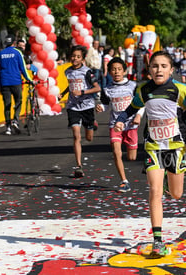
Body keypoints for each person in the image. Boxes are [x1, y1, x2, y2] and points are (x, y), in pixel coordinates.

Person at [114, 51, 186, 258]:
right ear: (149, 70)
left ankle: (167, 179)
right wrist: (121, 119)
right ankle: (158, 241)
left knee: (176, 194)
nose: (159, 70)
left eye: (164, 66)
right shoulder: (144, 89)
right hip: (154, 146)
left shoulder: (181, 89)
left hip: (175, 146)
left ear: (171, 70)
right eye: (155, 66)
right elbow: (132, 108)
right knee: (154, 191)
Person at [96, 57, 144, 192]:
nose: (116, 72)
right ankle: (124, 181)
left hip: (131, 125)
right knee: (116, 152)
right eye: (113, 70)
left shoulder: (133, 86)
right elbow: (106, 104)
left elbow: (141, 103)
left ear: (124, 71)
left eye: (119, 69)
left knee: (132, 157)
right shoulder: (107, 89)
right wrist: (101, 107)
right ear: (110, 72)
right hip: (115, 124)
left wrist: (139, 116)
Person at [61, 45, 101, 178]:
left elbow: (97, 88)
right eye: (73, 56)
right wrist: (63, 93)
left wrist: (82, 92)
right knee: (76, 136)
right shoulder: (67, 71)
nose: (75, 59)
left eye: (78, 57)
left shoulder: (87, 72)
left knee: (89, 138)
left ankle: (92, 123)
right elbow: (71, 85)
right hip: (73, 106)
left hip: (87, 106)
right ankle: (79, 166)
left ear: (82, 58)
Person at [0, 34, 33, 135]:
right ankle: (15, 121)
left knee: (7, 105)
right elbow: (23, 68)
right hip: (16, 81)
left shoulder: (0, 54)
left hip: (4, 82)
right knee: (18, 101)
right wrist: (29, 79)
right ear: (14, 43)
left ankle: (8, 127)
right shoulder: (17, 53)